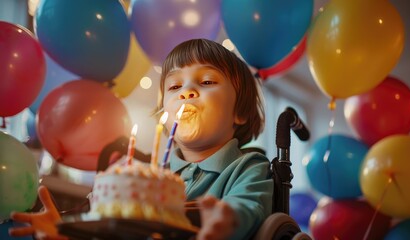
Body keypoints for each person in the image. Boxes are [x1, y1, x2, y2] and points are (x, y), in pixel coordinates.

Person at [9, 38, 274, 240]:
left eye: (206, 82)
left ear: (239, 111)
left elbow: (249, 205)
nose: (186, 92)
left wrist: (228, 220)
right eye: (174, 86)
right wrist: (67, 231)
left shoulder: (247, 166)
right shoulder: (148, 178)